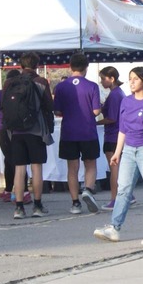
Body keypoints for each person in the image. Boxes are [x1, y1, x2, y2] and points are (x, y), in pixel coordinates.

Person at [93, 68, 143, 243]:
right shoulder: (126, 101)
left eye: (136, 79)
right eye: (130, 79)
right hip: (128, 149)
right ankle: (114, 227)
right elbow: (123, 128)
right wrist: (117, 152)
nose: (132, 82)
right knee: (123, 189)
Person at [53, 52, 102, 215]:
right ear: (86, 67)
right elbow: (96, 111)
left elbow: (58, 111)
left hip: (68, 132)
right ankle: (88, 189)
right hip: (88, 131)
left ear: (70, 66)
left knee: (72, 168)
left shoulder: (60, 86)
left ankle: (75, 203)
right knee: (90, 164)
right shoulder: (92, 86)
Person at [2, 67, 53, 220]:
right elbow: (49, 106)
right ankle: (37, 205)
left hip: (16, 131)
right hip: (36, 131)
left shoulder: (10, 83)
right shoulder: (41, 82)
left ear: (22, 67)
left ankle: (19, 207)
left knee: (19, 169)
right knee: (36, 168)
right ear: (36, 65)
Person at [0, 69, 30, 205]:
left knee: (12, 159)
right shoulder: (25, 92)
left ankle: (21, 191)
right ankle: (11, 189)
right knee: (16, 159)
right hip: (21, 128)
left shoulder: (1, 93)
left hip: (4, 128)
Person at [98, 66, 124, 209]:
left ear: (112, 79)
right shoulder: (118, 93)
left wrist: (96, 122)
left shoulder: (114, 95)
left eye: (103, 78)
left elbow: (112, 118)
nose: (101, 82)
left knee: (114, 168)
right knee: (117, 167)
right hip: (116, 134)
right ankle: (124, 195)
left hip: (112, 135)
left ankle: (115, 198)